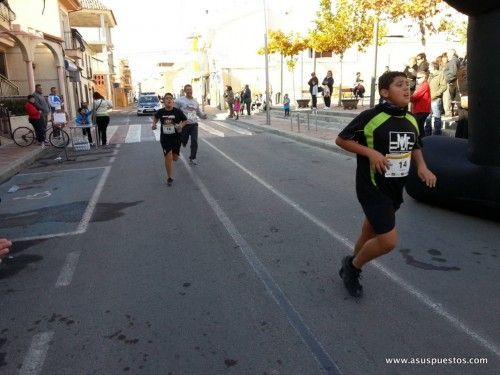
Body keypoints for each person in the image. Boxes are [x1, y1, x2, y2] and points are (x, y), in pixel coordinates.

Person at [335, 71, 437, 297]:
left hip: (395, 189)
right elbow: (342, 139)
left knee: (369, 230)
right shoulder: (372, 117)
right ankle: (352, 267)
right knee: (388, 241)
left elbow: (415, 145)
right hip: (372, 187)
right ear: (384, 92)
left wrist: (422, 166)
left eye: (409, 85)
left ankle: (351, 262)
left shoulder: (411, 119)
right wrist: (370, 153)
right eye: (399, 85)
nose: (407, 88)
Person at [152, 93, 187, 186]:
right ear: (163, 101)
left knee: (175, 158)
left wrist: (181, 126)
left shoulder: (177, 111)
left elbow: (185, 120)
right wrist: (154, 124)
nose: (169, 100)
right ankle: (169, 177)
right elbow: (155, 117)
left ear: (173, 101)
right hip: (165, 138)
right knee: (168, 155)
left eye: (170, 98)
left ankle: (174, 155)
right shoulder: (161, 112)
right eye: (167, 98)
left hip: (176, 137)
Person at [174, 84, 207, 165]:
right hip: (185, 125)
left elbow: (198, 112)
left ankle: (192, 158)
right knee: (183, 140)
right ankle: (183, 142)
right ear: (185, 91)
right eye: (187, 89)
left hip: (193, 124)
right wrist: (176, 121)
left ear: (192, 90)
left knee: (194, 141)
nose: (189, 91)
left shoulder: (195, 102)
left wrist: (203, 116)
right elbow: (175, 110)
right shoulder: (180, 100)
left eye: (190, 89)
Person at [425, 62, 447, 136]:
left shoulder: (440, 74)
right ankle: (427, 134)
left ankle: (437, 135)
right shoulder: (430, 76)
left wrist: (436, 94)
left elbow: (444, 86)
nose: (428, 69)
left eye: (429, 67)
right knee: (428, 117)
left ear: (433, 67)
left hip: (436, 99)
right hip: (428, 99)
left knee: (437, 118)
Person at [410, 72, 431, 138]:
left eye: (419, 78)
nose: (417, 79)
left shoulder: (424, 85)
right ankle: (422, 143)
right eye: (416, 78)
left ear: (424, 77)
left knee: (417, 127)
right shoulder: (423, 85)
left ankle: (420, 143)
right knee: (420, 127)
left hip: (421, 109)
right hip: (421, 109)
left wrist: (408, 97)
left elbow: (415, 97)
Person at [443, 49, 460, 117]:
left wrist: (446, 79)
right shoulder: (455, 60)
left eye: (448, 54)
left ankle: (450, 113)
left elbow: (453, 73)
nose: (447, 55)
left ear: (451, 54)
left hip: (451, 82)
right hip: (453, 82)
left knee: (449, 98)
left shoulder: (453, 61)